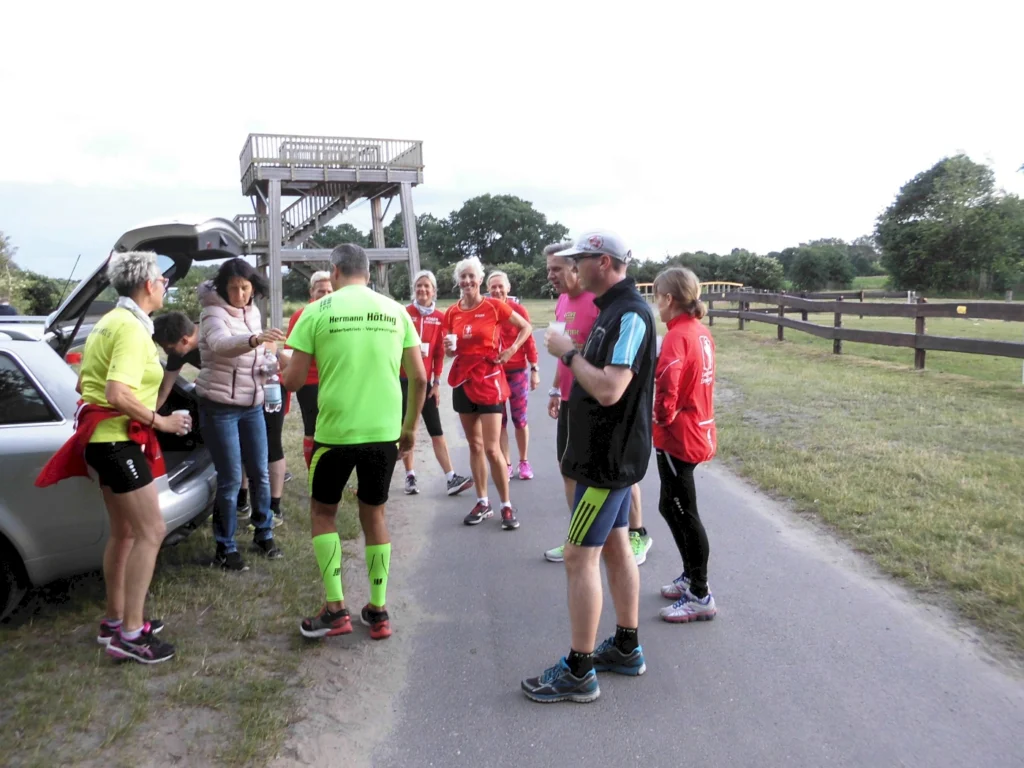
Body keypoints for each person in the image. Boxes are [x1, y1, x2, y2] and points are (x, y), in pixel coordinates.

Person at [36, 251, 188, 663]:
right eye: (162, 279)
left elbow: (89, 384)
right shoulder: (131, 329)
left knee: (124, 533)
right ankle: (131, 635)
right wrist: (161, 421)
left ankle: (115, 622)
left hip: (104, 440)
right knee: (152, 530)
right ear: (148, 285)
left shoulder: (110, 321)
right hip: (117, 441)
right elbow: (118, 393)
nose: (165, 285)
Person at [522, 231, 655, 704]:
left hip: (605, 462)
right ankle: (626, 646)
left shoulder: (631, 314)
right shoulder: (610, 309)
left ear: (603, 262)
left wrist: (568, 353)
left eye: (580, 259)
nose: (573, 266)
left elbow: (610, 389)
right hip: (603, 456)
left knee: (579, 557)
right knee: (616, 547)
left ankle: (579, 671)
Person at [282, 244, 427, 641]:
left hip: (334, 434)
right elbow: (419, 377)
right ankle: (378, 611)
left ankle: (335, 609)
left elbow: (293, 382)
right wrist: (410, 428)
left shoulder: (315, 311)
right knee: (374, 515)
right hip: (384, 433)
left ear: (334, 272)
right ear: (368, 272)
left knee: (323, 512)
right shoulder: (396, 311)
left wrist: (281, 361)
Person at [542, 243, 653, 566]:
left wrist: (568, 354)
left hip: (605, 424)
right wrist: (555, 388)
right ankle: (581, 531)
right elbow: (565, 356)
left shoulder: (607, 305)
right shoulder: (563, 301)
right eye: (549, 269)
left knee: (621, 483)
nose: (551, 275)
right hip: (572, 399)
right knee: (568, 469)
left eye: (558, 268)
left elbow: (611, 379)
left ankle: (635, 532)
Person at [194, 258, 286, 571]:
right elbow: (221, 345)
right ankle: (225, 547)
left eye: (245, 287)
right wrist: (255, 340)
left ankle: (264, 532)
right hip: (220, 407)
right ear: (222, 288)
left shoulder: (253, 312)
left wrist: (267, 363)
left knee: (260, 471)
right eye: (233, 288)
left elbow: (256, 353)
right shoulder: (212, 313)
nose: (240, 294)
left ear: (253, 287)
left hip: (252, 404)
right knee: (232, 478)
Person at [442, 257, 532, 529]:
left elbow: (526, 327)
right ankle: (483, 502)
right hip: (463, 380)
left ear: (480, 279)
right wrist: (448, 349)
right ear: (458, 282)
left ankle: (506, 505)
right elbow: (451, 350)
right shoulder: (452, 312)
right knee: (475, 446)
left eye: (472, 276)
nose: (467, 281)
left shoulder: (494, 306)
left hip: (490, 379)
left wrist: (511, 350)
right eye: (463, 277)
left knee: (492, 449)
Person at [651, 267, 718, 622]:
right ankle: (690, 576)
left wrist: (661, 418)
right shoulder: (699, 332)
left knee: (684, 511)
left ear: (669, 298)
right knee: (669, 505)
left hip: (679, 435)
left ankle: (700, 593)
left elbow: (668, 381)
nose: (655, 303)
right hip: (696, 427)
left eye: (657, 296)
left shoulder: (677, 336)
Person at [401, 269, 472, 497]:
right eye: (419, 286)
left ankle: (451, 478)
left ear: (434, 291)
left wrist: (437, 382)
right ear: (414, 289)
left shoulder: (440, 318)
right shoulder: (404, 313)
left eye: (427, 286)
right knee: (406, 429)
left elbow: (440, 353)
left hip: (426, 384)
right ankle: (410, 475)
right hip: (404, 380)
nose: (422, 289)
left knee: (436, 429)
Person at [486, 271, 540, 481]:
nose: (497, 290)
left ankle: (524, 461)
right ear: (488, 289)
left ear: (508, 288)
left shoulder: (518, 310)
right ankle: (506, 463)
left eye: (501, 286)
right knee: (499, 421)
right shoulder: (486, 311)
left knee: (520, 419)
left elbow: (529, 340)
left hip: (516, 372)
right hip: (494, 374)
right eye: (493, 287)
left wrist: (534, 369)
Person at [286, 270, 333, 469]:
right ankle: (313, 473)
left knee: (334, 431)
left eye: (329, 291)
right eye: (321, 291)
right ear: (311, 292)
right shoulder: (300, 315)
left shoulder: (339, 314)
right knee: (311, 430)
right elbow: (289, 352)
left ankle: (332, 472)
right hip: (310, 382)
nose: (325, 295)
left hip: (334, 380)